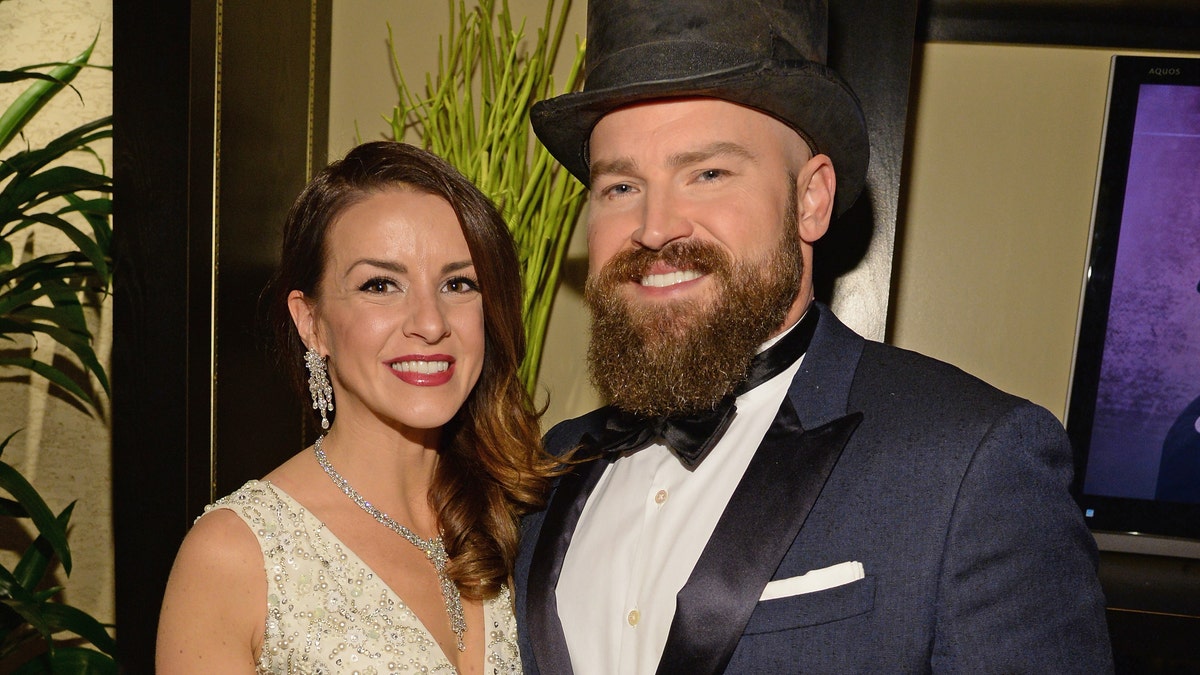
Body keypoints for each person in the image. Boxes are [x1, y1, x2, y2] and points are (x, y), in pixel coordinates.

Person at [513, 1, 1114, 673]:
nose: (655, 227)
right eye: (621, 185)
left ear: (811, 199)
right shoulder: (550, 465)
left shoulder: (971, 465)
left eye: (708, 173)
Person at [158, 141, 555, 673]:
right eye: (380, 285)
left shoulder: (528, 514)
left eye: (458, 283)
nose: (430, 322)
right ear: (311, 322)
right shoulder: (234, 556)